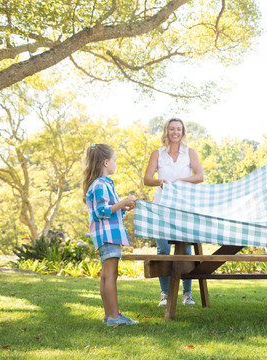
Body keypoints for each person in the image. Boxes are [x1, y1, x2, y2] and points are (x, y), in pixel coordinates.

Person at [144, 118, 204, 307]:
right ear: (166, 131)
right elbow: (147, 179)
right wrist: (160, 181)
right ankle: (165, 294)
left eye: (178, 129)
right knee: (163, 250)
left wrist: (179, 181)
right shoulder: (158, 153)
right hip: (161, 208)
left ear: (183, 132)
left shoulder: (190, 152)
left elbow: (199, 176)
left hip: (183, 207)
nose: (175, 132)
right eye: (172, 129)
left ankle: (187, 294)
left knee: (185, 250)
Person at [83, 143, 139, 326]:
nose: (116, 164)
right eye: (114, 160)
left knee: (107, 275)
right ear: (106, 162)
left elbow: (110, 211)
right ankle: (115, 317)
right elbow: (101, 211)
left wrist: (124, 208)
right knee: (111, 275)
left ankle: (109, 315)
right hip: (108, 236)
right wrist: (122, 202)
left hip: (106, 234)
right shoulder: (100, 184)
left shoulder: (103, 184)